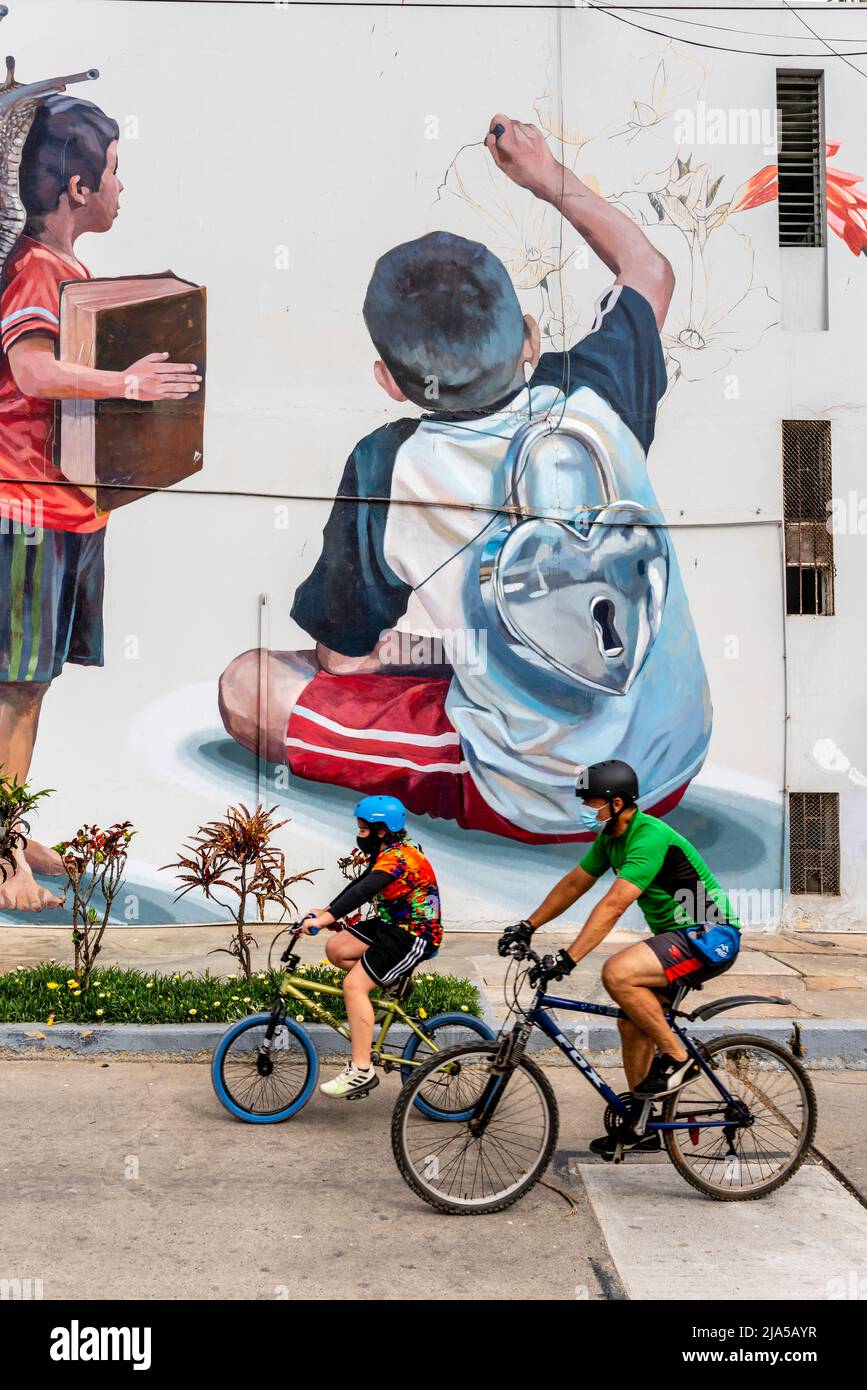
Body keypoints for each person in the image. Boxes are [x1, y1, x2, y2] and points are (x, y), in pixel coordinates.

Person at [218, 113, 710, 844]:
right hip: (674, 753)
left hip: (546, 795)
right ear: (531, 341)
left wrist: (413, 651)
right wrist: (545, 177)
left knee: (249, 684)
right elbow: (648, 271)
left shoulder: (388, 466)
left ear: (388, 382)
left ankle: (509, 756)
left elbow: (343, 662)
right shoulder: (596, 390)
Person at [0, 94, 200, 911]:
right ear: (77, 185)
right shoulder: (35, 272)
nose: (123, 187)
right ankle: (4, 855)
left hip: (68, 511)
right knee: (14, 689)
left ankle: (7, 831)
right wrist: (127, 383)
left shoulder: (68, 271)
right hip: (26, 510)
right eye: (115, 171)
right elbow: (33, 373)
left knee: (30, 687)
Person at [499, 759, 741, 1159]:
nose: (584, 808)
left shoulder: (649, 836)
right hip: (678, 938)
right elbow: (575, 883)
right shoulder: (611, 838)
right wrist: (529, 924)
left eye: (589, 801)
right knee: (632, 1023)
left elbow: (613, 904)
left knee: (618, 973)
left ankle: (681, 1059)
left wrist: (569, 957)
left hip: (711, 935)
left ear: (615, 803)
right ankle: (641, 1126)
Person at [301, 793, 442, 1099]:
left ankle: (361, 1070)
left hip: (414, 935)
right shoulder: (386, 852)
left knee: (354, 986)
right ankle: (392, 981)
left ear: (382, 830)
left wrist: (325, 919)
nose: (358, 835)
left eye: (363, 829)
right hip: (390, 926)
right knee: (337, 948)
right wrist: (324, 912)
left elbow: (365, 891)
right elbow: (357, 885)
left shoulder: (400, 858)